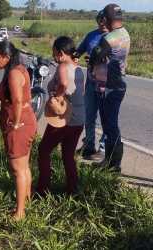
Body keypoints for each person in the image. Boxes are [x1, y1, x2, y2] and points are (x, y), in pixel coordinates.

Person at [0, 41, 37, 220]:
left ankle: (20, 212)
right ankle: (26, 200)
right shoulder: (19, 68)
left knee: (17, 168)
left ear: (6, 56)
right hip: (25, 120)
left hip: (19, 124)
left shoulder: (13, 73)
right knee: (24, 166)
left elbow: (17, 100)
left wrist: (16, 123)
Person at [36, 36, 85, 194]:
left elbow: (63, 83)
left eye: (54, 53)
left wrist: (56, 97)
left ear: (61, 53)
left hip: (64, 117)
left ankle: (43, 188)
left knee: (44, 150)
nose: (53, 56)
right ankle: (73, 188)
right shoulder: (78, 67)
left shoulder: (63, 66)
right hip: (78, 118)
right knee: (68, 155)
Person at [90, 4, 130, 171]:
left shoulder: (109, 38)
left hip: (108, 87)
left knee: (109, 125)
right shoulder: (125, 34)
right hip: (119, 84)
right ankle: (111, 162)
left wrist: (92, 62)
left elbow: (95, 56)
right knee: (111, 125)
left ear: (106, 19)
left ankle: (113, 164)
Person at [76, 11, 108, 160]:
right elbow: (79, 51)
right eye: (99, 20)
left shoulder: (115, 37)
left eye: (104, 20)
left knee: (106, 117)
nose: (101, 22)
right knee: (89, 115)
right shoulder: (91, 35)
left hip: (108, 83)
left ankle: (102, 149)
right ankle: (88, 145)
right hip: (91, 82)